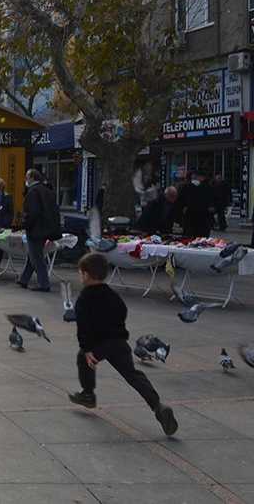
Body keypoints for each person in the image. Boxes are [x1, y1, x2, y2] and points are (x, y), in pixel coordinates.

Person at [68, 253, 178, 436]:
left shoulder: (85, 298)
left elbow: (83, 326)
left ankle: (88, 394)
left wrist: (87, 349)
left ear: (86, 275)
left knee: (83, 359)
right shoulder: (111, 294)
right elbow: (122, 311)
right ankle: (158, 406)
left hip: (99, 344)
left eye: (80, 273)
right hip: (119, 342)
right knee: (132, 375)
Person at [18, 169, 60, 292]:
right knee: (33, 254)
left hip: (36, 229)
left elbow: (32, 212)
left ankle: (44, 284)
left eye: (27, 177)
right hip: (46, 228)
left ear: (32, 177)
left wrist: (25, 224)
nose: (25, 179)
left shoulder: (33, 192)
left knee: (36, 257)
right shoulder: (47, 190)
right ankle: (24, 279)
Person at [177, 172, 214, 238]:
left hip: (195, 215)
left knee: (192, 234)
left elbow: (180, 200)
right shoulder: (207, 187)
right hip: (198, 216)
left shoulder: (187, 186)